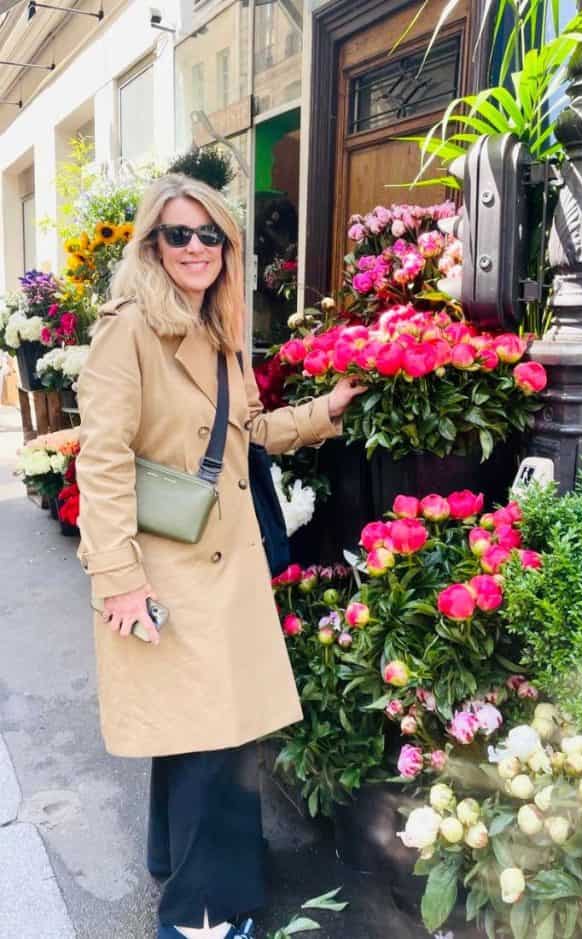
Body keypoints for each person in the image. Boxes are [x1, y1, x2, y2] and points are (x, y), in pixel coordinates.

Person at [75, 173, 365, 939]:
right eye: (179, 233)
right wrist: (118, 581)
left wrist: (324, 413)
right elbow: (101, 461)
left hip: (226, 566)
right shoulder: (129, 329)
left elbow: (248, 432)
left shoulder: (220, 327)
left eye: (211, 235)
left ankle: (175, 860)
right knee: (214, 740)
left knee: (202, 733)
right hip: (169, 568)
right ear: (152, 242)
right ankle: (204, 914)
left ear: (229, 247)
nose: (196, 247)